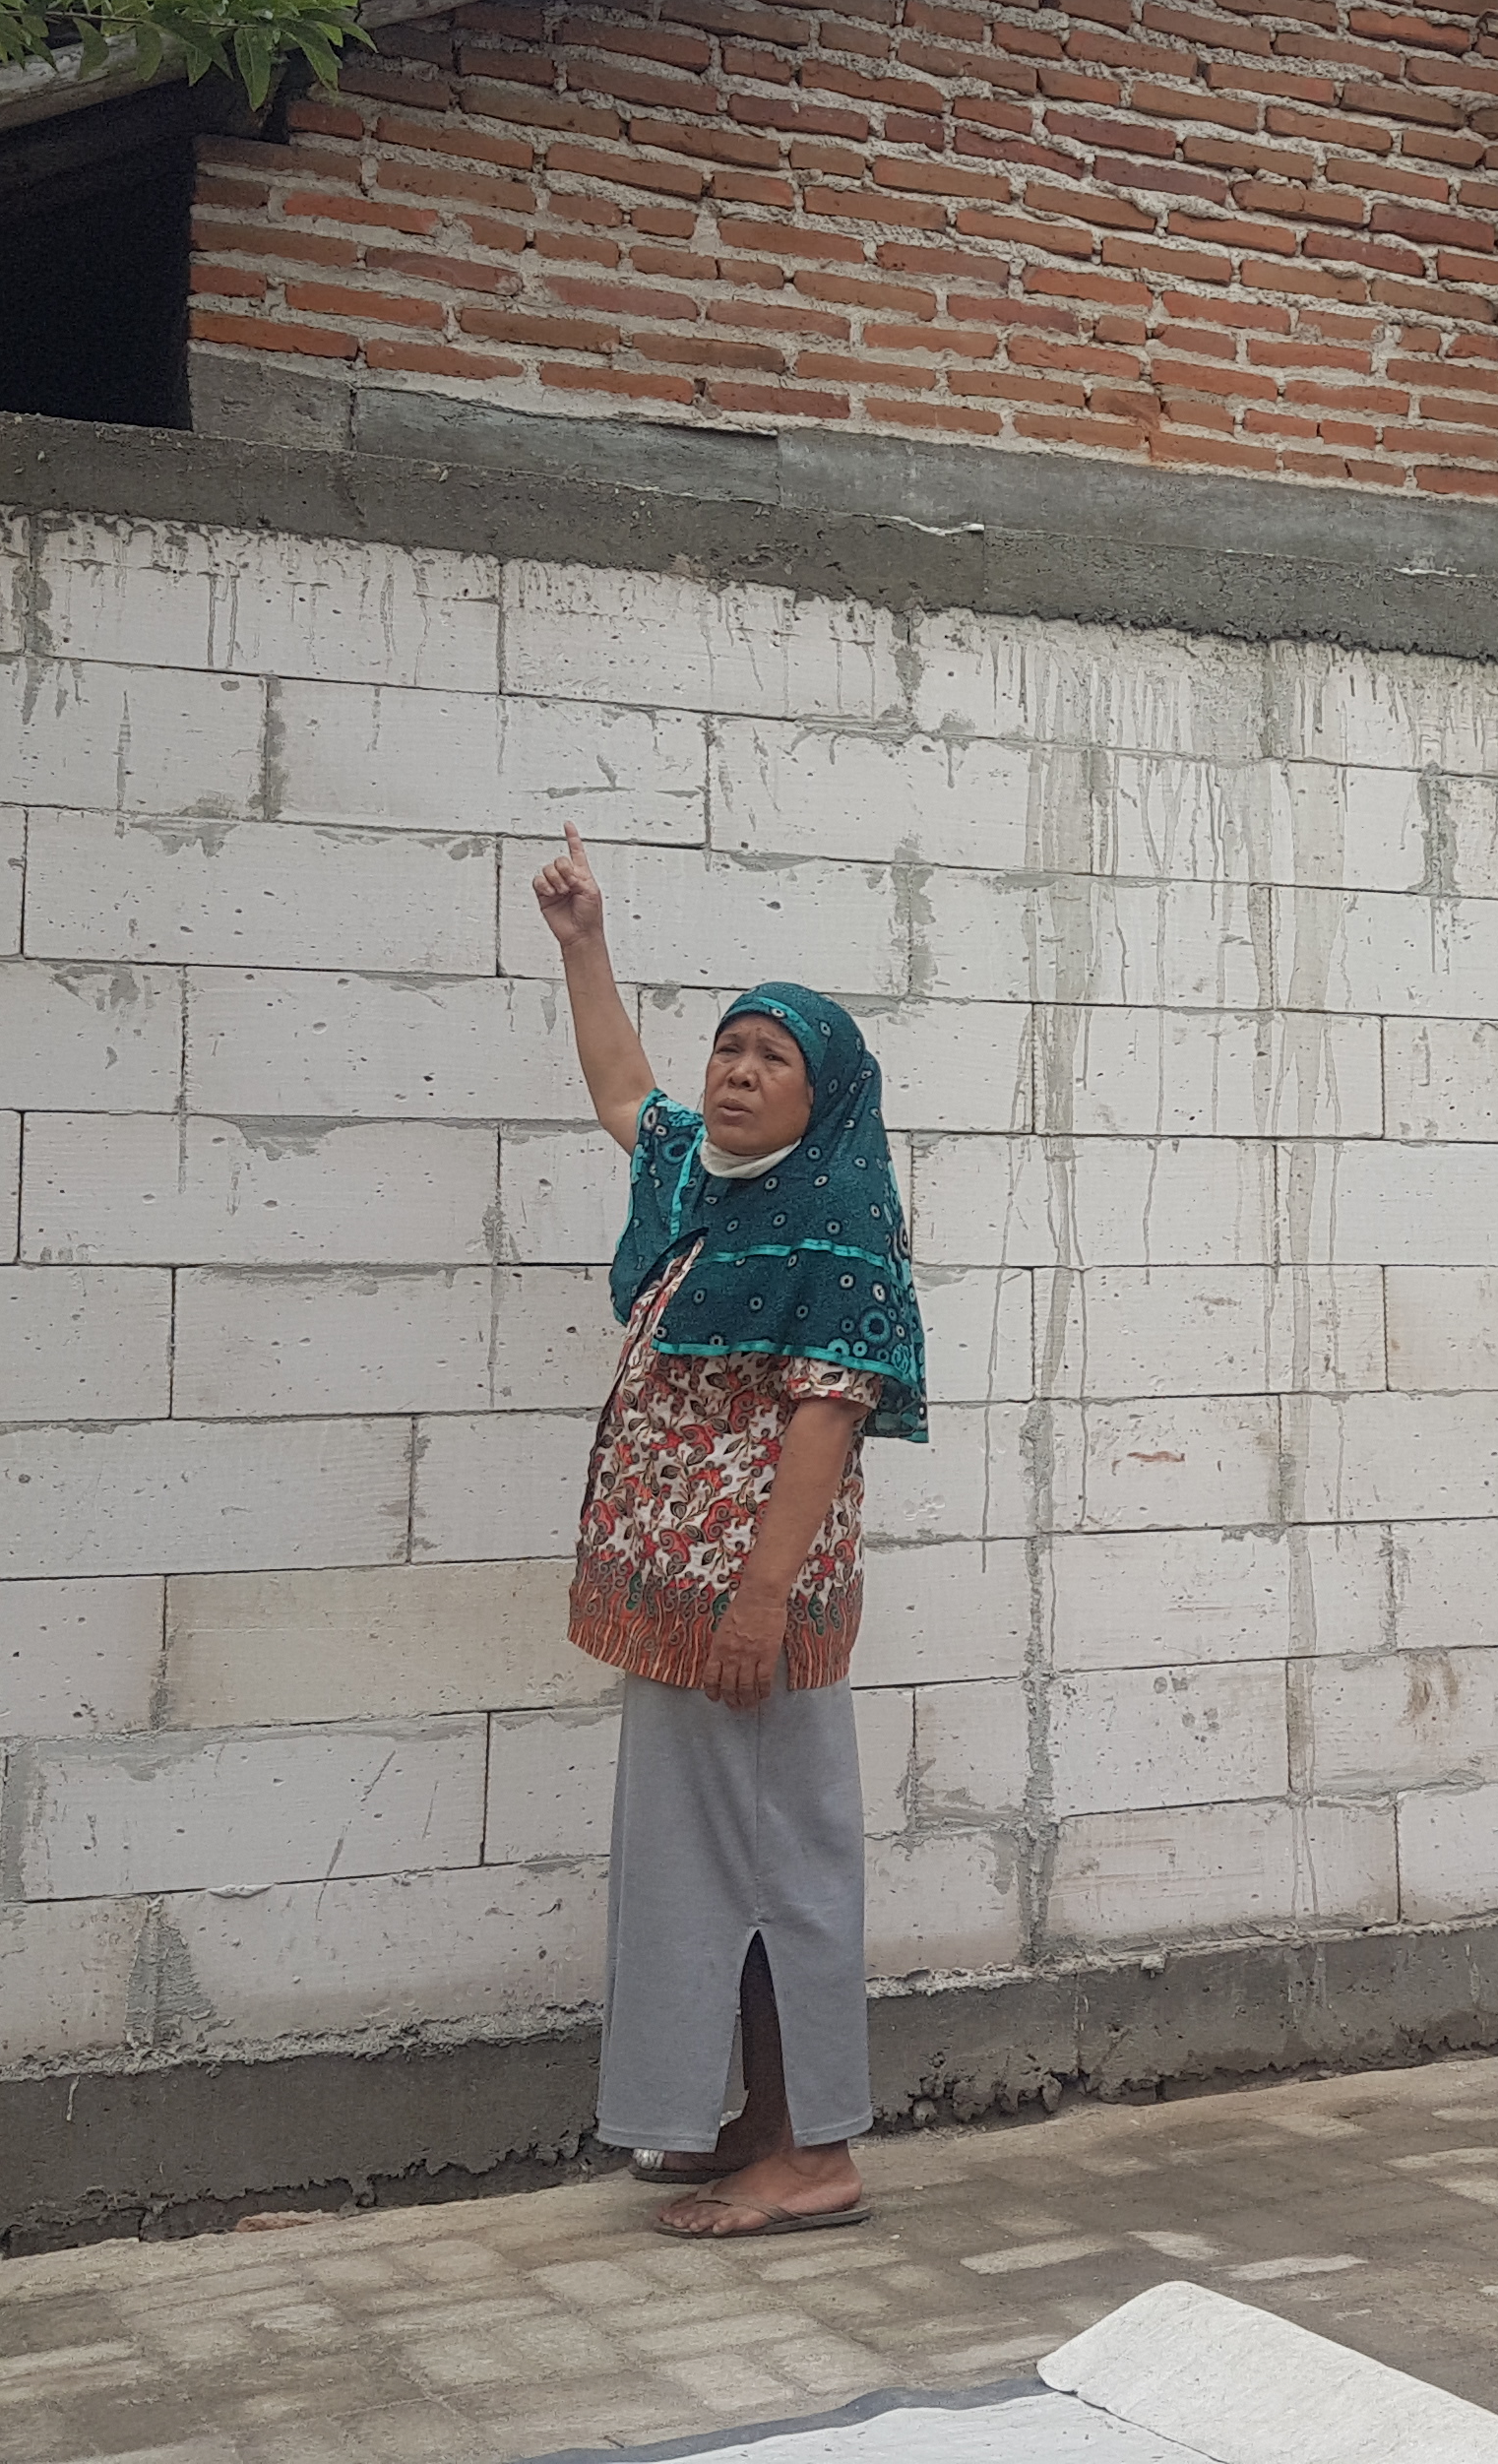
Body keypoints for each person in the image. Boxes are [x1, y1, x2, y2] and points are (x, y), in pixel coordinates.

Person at [531, 824, 926, 2242]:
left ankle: (814, 2153)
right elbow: (617, 1087)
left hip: (752, 1610)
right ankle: (745, 2123)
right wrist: (585, 944)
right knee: (704, 1870)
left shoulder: (839, 1217)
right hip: (675, 1606)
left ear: (825, 1095)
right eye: (730, 1048)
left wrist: (759, 1602)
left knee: (781, 1869)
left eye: (774, 1058)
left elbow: (826, 1416)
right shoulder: (701, 1178)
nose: (738, 1072)